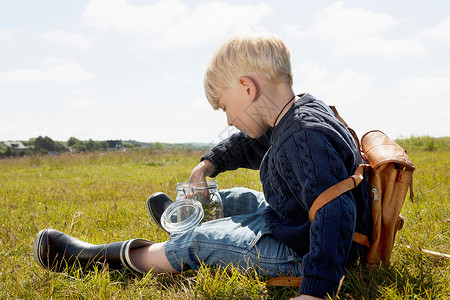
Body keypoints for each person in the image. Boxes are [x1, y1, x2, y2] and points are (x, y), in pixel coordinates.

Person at [33, 31, 371, 299]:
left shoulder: (303, 137)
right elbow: (251, 144)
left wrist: (317, 288)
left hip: (309, 249)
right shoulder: (296, 115)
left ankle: (106, 257)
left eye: (224, 106)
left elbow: (334, 210)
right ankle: (184, 220)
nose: (229, 118)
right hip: (295, 220)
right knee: (240, 196)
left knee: (203, 240)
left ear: (247, 88)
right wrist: (206, 166)